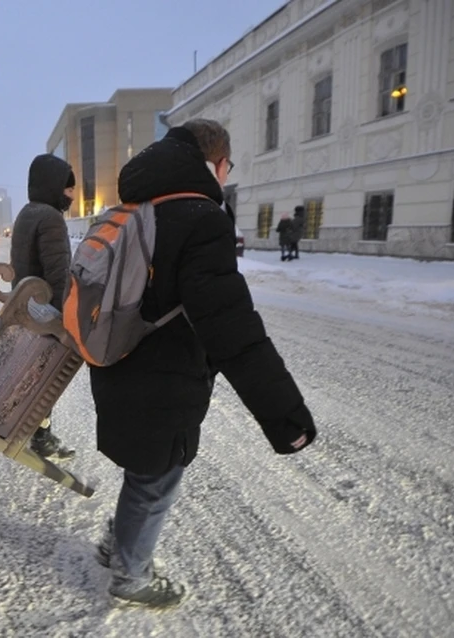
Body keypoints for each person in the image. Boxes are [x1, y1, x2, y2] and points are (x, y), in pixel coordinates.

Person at [88, 121, 317, 608]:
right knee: (156, 481)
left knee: (144, 470)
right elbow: (233, 328)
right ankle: (131, 576)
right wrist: (285, 417)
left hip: (116, 364)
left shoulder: (131, 210)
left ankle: (116, 543)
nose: (228, 174)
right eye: (228, 165)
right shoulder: (202, 218)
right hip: (165, 379)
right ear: (215, 163)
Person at [9, 153, 77, 461]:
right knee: (48, 374)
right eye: (67, 188)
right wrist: (65, 321)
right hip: (44, 313)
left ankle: (40, 431)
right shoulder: (50, 218)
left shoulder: (27, 213)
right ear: (53, 186)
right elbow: (58, 276)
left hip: (25, 307)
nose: (71, 195)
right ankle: (41, 435)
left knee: (34, 372)